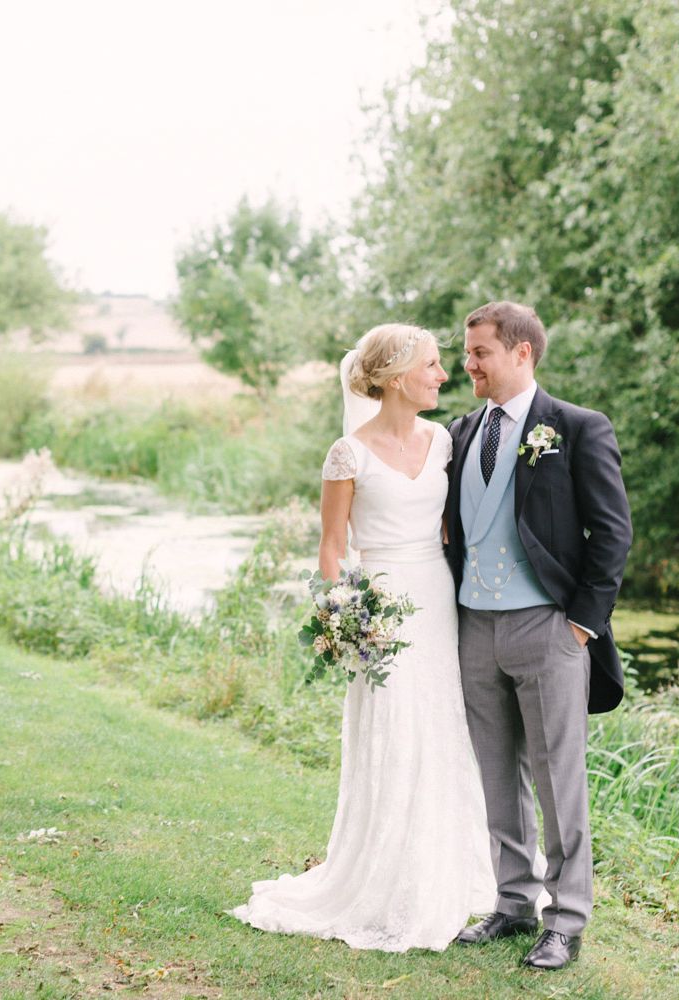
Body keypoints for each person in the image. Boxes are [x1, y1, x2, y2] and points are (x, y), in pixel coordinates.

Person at [230, 323, 495, 952]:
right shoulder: (347, 453)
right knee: (394, 729)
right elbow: (331, 544)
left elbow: (457, 527)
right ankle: (386, 881)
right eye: (432, 365)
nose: (443, 375)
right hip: (381, 605)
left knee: (442, 726)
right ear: (400, 377)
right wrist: (344, 618)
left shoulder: (444, 443)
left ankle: (455, 873)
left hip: (437, 597)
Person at [446, 301, 632, 971]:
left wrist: (581, 622)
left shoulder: (578, 428)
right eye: (466, 353)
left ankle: (568, 917)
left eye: (480, 353)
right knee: (497, 775)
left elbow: (612, 532)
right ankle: (513, 901)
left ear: (521, 353)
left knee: (559, 779)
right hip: (474, 627)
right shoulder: (461, 432)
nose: (468, 364)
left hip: (549, 628)